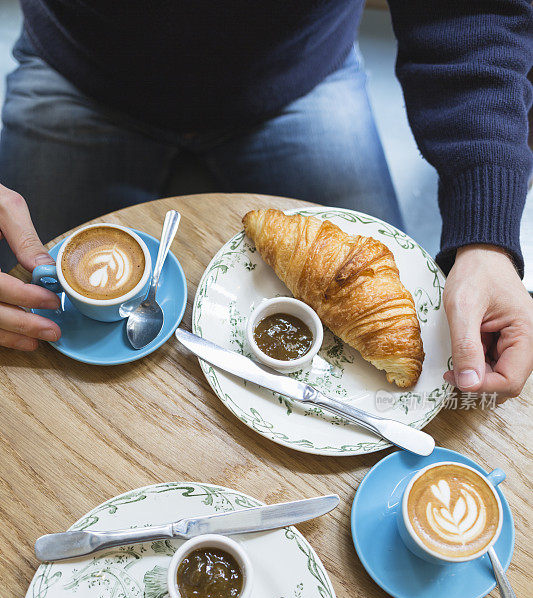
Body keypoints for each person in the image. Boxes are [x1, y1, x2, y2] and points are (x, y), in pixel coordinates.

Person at [0, 1, 532, 401]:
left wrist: (486, 236)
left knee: (417, 333)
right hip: (80, 72)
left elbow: (470, 13)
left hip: (299, 72)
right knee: (19, 335)